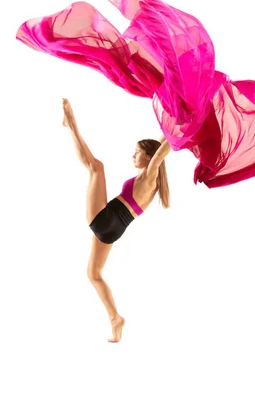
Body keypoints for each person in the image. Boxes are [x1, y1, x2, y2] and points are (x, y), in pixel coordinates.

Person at [61, 98, 172, 342]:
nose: (133, 154)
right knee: (94, 274)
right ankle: (115, 318)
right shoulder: (151, 183)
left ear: (149, 158)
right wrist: (175, 118)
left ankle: (71, 124)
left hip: (107, 218)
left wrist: (182, 130)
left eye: (138, 152)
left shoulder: (150, 177)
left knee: (96, 167)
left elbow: (165, 148)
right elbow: (165, 140)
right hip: (114, 229)